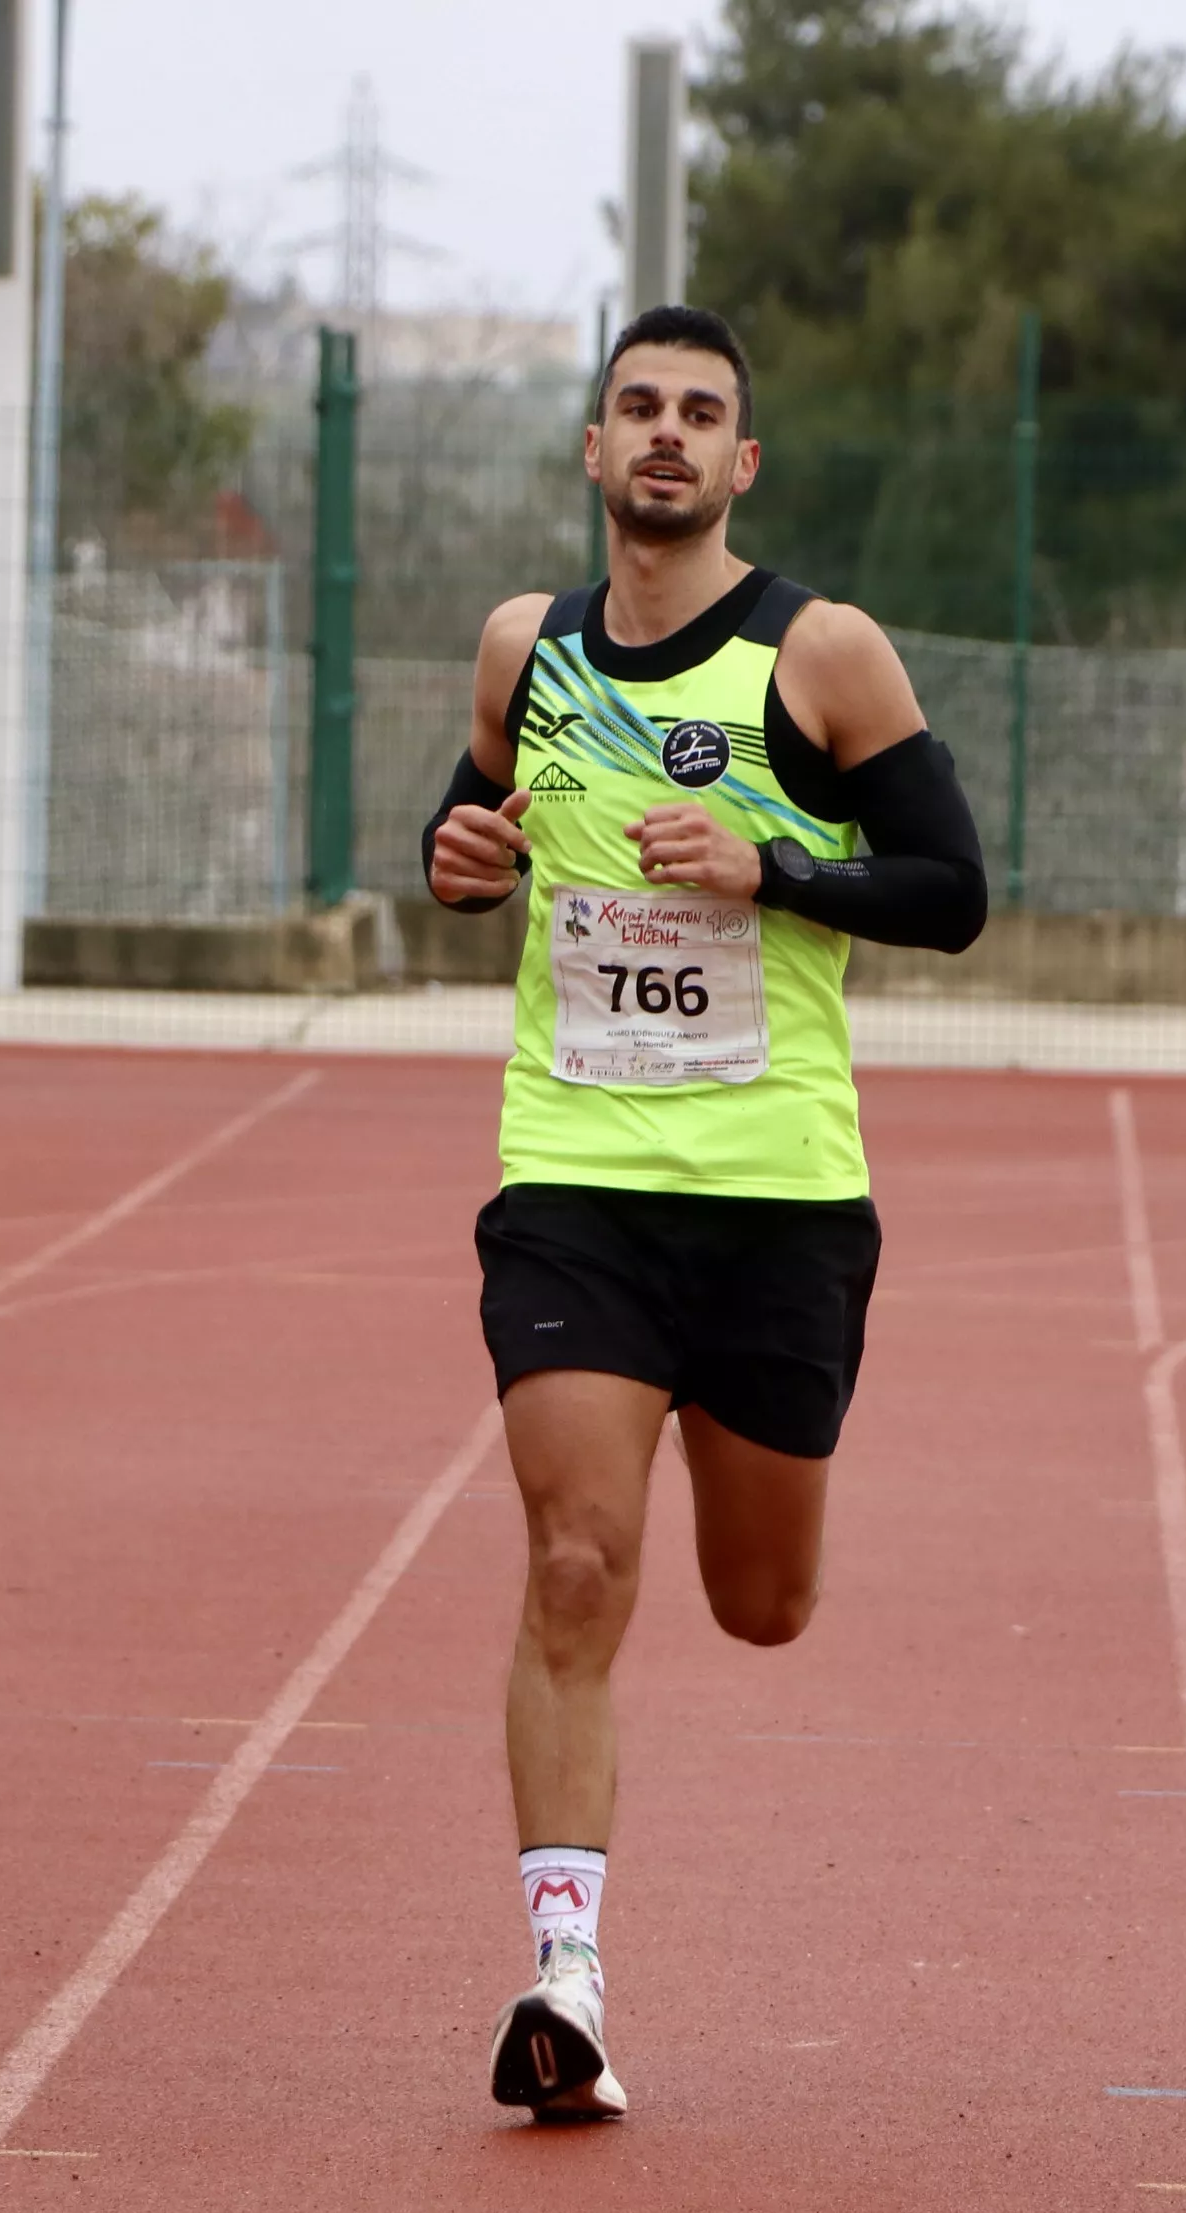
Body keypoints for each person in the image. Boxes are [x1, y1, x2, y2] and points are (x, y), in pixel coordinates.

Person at [422, 306, 988, 2121]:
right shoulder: (527, 648)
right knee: (577, 1563)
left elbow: (956, 891)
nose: (665, 437)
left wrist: (777, 866)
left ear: (743, 464)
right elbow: (468, 836)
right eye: (636, 409)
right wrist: (457, 861)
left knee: (762, 1605)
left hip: (779, 1198)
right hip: (576, 1177)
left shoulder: (820, 655)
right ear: (592, 451)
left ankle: (575, 1954)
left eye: (702, 416)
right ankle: (565, 1977)